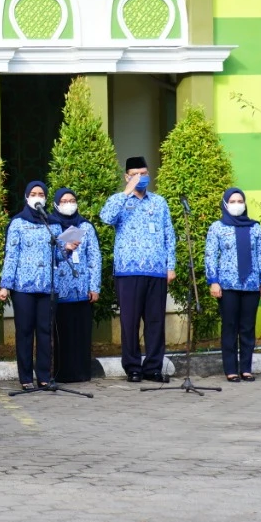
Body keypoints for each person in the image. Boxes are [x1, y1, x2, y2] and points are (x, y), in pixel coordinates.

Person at [99, 156, 176, 383]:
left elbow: (168, 234)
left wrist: (170, 266)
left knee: (155, 322)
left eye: (144, 173)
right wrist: (125, 192)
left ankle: (153, 367)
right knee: (129, 322)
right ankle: (132, 367)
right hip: (128, 272)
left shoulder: (159, 202)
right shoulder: (119, 200)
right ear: (126, 177)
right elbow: (106, 218)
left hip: (156, 271)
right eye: (135, 174)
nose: (141, 178)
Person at [205, 188, 261, 383]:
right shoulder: (217, 227)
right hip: (227, 285)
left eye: (240, 201)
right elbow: (211, 257)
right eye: (232, 201)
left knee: (247, 328)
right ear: (225, 204)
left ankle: (246, 368)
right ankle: (231, 369)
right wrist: (213, 281)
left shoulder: (255, 227)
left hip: (251, 285)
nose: (237, 204)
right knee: (229, 326)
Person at [0, 181, 60, 390]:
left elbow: (58, 256)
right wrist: (5, 285)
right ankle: (25, 378)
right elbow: (11, 255)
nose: (37, 197)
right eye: (33, 193)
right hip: (23, 287)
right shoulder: (17, 223)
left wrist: (68, 248)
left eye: (41, 194)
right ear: (26, 197)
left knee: (45, 332)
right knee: (24, 333)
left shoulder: (53, 223)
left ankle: (43, 376)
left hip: (47, 287)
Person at [51, 188, 101, 383]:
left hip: (82, 288)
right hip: (59, 289)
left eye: (72, 200)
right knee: (62, 333)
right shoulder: (51, 226)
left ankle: (81, 373)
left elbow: (94, 258)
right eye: (64, 200)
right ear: (56, 204)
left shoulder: (85, 227)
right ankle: (62, 374)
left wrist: (94, 287)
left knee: (81, 333)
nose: (68, 203)